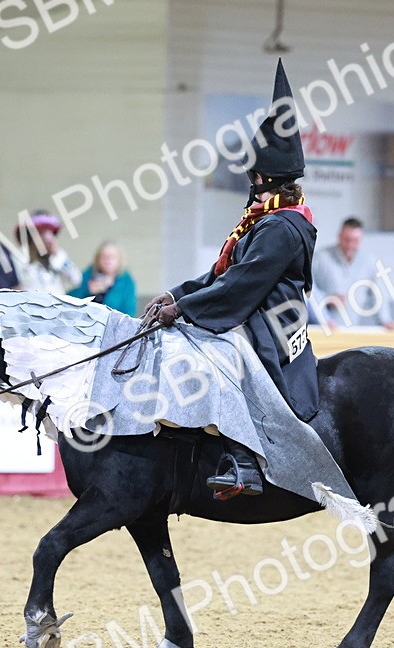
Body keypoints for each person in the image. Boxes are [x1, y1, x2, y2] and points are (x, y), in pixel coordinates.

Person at [148, 60, 317, 500]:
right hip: (252, 310)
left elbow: (242, 285)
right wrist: (178, 294)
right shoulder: (262, 219)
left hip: (270, 324)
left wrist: (183, 311)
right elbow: (221, 273)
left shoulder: (282, 227)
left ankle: (245, 463)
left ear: (263, 178)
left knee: (219, 362)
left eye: (252, 176)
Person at [309, 217, 394, 330]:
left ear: (361, 239)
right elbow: (307, 290)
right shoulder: (320, 258)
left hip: (352, 330)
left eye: (355, 241)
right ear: (339, 236)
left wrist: (385, 320)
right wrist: (326, 300)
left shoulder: (369, 262)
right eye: (346, 239)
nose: (350, 245)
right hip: (321, 329)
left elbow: (378, 294)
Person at [16, 210, 81, 295]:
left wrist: (56, 254)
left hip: (56, 306)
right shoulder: (21, 257)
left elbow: (76, 280)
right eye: (41, 234)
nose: (46, 239)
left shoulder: (59, 257)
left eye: (50, 234)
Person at [69, 241, 137, 316]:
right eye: (103, 256)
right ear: (97, 259)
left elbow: (130, 311)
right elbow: (70, 300)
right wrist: (88, 291)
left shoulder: (126, 281)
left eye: (112, 257)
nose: (107, 260)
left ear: (119, 260)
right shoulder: (89, 274)